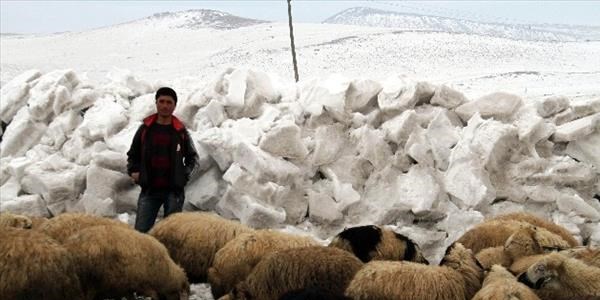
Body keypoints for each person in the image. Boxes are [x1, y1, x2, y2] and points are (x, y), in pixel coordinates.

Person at [127, 87, 198, 232]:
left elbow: (193, 158)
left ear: (174, 106)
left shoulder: (180, 132)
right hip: (149, 190)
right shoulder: (145, 130)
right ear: (156, 103)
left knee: (171, 234)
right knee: (141, 233)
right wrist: (133, 171)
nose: (165, 105)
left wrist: (183, 175)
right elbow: (133, 155)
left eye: (169, 102)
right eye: (162, 101)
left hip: (173, 193)